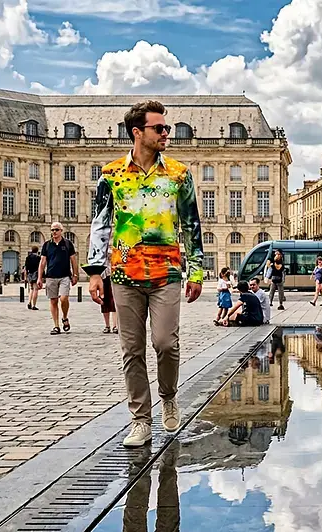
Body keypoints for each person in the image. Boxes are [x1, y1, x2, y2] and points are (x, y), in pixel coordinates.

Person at [84, 100, 204, 448]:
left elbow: (191, 225)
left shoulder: (179, 174)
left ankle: (168, 396)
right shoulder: (111, 175)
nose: (167, 133)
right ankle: (140, 419)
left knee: (166, 343)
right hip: (123, 273)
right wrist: (95, 272)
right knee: (131, 349)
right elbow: (101, 225)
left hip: (166, 271)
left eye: (167, 128)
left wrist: (195, 271)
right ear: (138, 132)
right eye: (160, 128)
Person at [38, 221, 78, 335]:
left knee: (63, 298)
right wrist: (40, 278)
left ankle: (65, 317)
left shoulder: (67, 244)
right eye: (52, 230)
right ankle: (56, 326)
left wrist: (75, 275)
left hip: (64, 276)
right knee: (53, 300)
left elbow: (73, 260)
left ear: (61, 231)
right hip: (50, 276)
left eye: (56, 230)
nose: (54, 232)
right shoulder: (47, 245)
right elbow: (42, 262)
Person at [22, 245, 41, 310]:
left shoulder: (28, 257)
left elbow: (25, 268)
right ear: (37, 251)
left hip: (29, 274)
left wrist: (25, 277)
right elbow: (40, 268)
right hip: (36, 273)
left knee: (31, 289)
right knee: (36, 289)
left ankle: (29, 302)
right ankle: (34, 305)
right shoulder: (38, 258)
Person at [101, 267, 118, 334]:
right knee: (104, 300)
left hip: (114, 275)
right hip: (102, 276)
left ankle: (115, 325)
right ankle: (107, 325)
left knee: (114, 301)